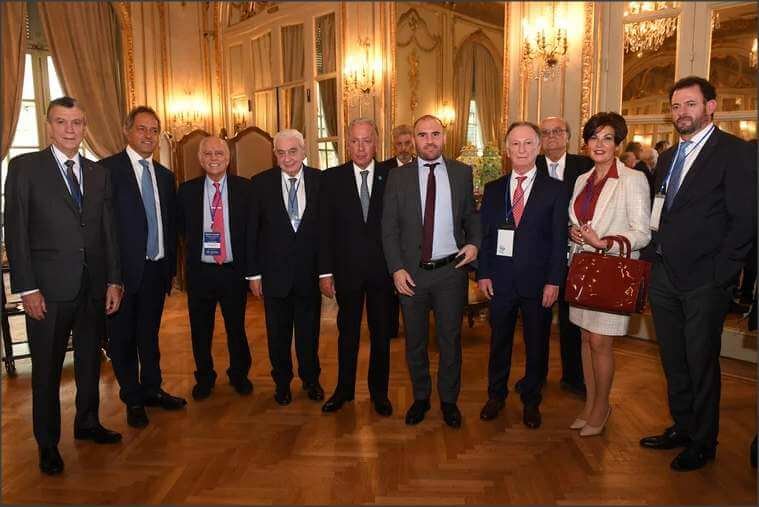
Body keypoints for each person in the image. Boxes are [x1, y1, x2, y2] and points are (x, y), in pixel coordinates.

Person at [641, 76, 756, 471]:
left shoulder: (735, 153)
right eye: (675, 106)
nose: (681, 113)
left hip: (705, 280)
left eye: (690, 104)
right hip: (665, 277)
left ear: (710, 107)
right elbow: (662, 212)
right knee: (673, 359)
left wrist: (721, 274)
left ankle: (704, 441)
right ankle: (683, 426)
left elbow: (745, 220)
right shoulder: (671, 156)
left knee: (701, 362)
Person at [4, 96, 124, 475]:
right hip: (48, 290)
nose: (70, 130)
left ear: (85, 126)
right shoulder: (25, 169)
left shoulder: (97, 173)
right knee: (47, 370)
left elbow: (108, 232)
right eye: (62, 122)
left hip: (92, 287)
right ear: (49, 126)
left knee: (90, 361)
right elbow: (17, 231)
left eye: (77, 123)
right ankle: (47, 443)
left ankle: (87, 422)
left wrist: (114, 280)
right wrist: (26, 288)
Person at [381, 114, 481, 428]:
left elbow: (471, 217)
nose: (429, 140)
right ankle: (421, 398)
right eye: (422, 135)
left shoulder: (462, 173)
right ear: (414, 139)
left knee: (451, 340)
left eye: (435, 134)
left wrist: (475, 244)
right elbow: (389, 228)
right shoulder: (399, 177)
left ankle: (449, 401)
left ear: (444, 136)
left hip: (451, 272)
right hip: (412, 275)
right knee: (415, 341)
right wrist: (396, 268)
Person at [477, 122, 569, 429]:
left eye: (528, 144)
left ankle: (531, 400)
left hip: (538, 283)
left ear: (538, 147)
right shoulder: (493, 190)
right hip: (500, 281)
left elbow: (559, 240)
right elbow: (487, 238)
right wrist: (484, 274)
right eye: (515, 144)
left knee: (537, 344)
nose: (522, 150)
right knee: (498, 342)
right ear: (506, 150)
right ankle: (496, 396)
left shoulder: (554, 190)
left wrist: (554, 280)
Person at [100, 106, 186, 429]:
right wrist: (111, 276)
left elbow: (170, 223)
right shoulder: (107, 171)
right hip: (121, 275)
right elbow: (102, 229)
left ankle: (152, 389)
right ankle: (132, 399)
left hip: (156, 271)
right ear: (127, 130)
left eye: (154, 130)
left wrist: (171, 269)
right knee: (122, 339)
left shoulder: (165, 176)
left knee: (149, 335)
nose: (148, 136)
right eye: (142, 129)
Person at [567, 112, 651, 437]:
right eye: (593, 137)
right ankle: (589, 404)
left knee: (601, 342)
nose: (599, 144)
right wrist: (575, 235)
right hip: (584, 271)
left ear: (618, 143)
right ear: (586, 142)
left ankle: (602, 407)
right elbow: (578, 221)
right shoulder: (581, 179)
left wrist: (604, 243)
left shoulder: (632, 179)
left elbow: (642, 233)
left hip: (611, 273)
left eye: (607, 138)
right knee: (586, 340)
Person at [319, 118, 395, 416]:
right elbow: (324, 230)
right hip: (346, 273)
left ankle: (380, 394)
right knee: (346, 334)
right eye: (354, 141)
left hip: (383, 273)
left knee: (381, 335)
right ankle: (344, 390)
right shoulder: (331, 179)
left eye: (366, 140)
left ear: (376, 144)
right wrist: (325, 272)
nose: (361, 147)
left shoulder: (392, 177)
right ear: (346, 144)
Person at [249, 129, 324, 405]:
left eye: (293, 151)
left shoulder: (319, 181)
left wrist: (326, 271)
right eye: (281, 153)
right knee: (277, 335)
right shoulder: (260, 184)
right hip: (274, 276)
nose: (287, 158)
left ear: (304, 152)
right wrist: (254, 274)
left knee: (309, 333)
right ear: (275, 156)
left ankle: (310, 379)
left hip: (308, 274)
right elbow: (251, 233)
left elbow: (326, 231)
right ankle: (282, 383)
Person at [176, 136, 254, 401]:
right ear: (200, 159)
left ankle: (239, 374)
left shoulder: (245, 189)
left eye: (219, 153)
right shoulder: (186, 191)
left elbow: (253, 233)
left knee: (237, 328)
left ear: (228, 157)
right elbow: (181, 231)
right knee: (200, 329)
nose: (213, 158)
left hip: (233, 271)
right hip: (201, 272)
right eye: (207, 154)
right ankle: (205, 377)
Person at [531, 116, 593, 399]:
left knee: (572, 321)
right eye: (546, 133)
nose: (552, 137)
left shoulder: (585, 167)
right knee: (538, 320)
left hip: (576, 254)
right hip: (540, 255)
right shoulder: (532, 165)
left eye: (558, 131)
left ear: (568, 136)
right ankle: (536, 375)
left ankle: (574, 377)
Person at [381, 123, 416, 338]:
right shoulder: (383, 170)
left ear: (413, 143)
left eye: (407, 143)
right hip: (391, 236)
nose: (403, 148)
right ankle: (392, 328)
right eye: (399, 144)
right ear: (394, 146)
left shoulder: (423, 166)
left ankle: (413, 326)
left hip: (414, 238)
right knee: (390, 286)